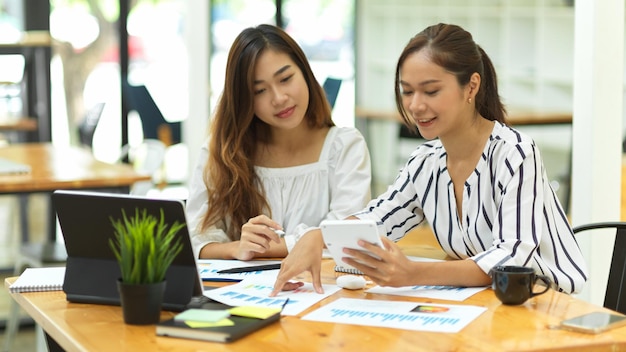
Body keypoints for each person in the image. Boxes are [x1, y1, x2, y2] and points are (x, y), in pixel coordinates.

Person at [271, 23, 587, 296]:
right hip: (484, 302)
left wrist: (414, 274)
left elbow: (511, 259)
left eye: (431, 91)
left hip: (543, 304)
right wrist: (319, 236)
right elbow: (378, 219)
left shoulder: (514, 152)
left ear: (471, 86)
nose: (415, 105)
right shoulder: (426, 162)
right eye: (407, 92)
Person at [186, 24, 372, 261]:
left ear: (305, 72)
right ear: (244, 100)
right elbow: (194, 238)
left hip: (319, 291)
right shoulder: (224, 150)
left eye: (285, 79)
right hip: (239, 294)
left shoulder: (344, 146)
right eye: (260, 91)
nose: (279, 98)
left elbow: (345, 235)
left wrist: (263, 248)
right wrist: (236, 248)